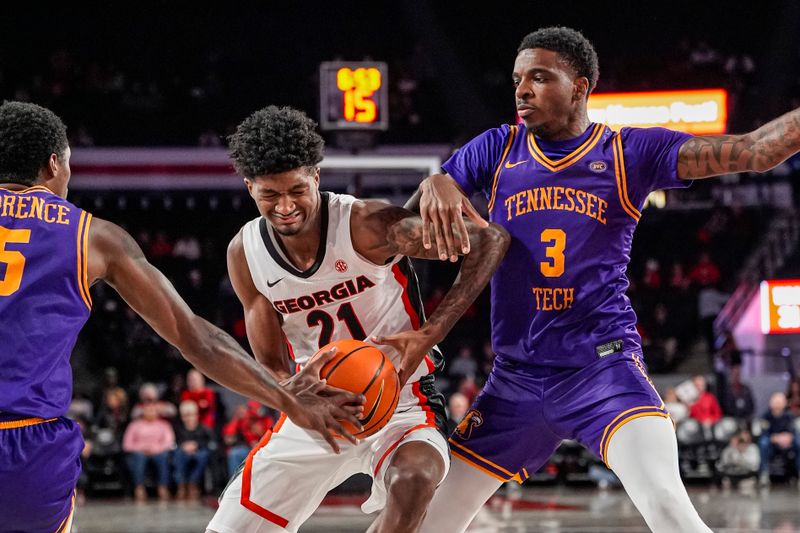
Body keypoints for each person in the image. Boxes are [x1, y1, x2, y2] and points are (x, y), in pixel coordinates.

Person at [410, 26, 800, 533]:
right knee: (422, 524)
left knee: (669, 510)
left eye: (540, 77)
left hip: (603, 372)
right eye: (516, 79)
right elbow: (424, 208)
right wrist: (436, 180)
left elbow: (754, 151)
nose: (522, 90)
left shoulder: (628, 153)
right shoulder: (497, 148)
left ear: (580, 86)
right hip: (514, 382)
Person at [0, 101, 363, 533]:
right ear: (53, 164)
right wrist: (287, 398)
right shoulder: (92, 237)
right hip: (25, 446)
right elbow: (195, 338)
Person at [206, 106, 509, 533]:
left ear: (315, 176)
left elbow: (489, 241)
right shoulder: (246, 254)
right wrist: (290, 393)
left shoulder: (366, 225)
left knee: (416, 476)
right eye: (270, 195)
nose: (286, 206)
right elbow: (272, 364)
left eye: (296, 189)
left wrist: (427, 335)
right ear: (249, 187)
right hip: (316, 405)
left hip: (402, 400)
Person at [122, 401, 176, 501]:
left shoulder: (164, 425)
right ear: (143, 411)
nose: (150, 412)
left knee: (164, 456)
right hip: (139, 452)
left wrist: (156, 449)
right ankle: (139, 487)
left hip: (158, 451)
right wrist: (141, 448)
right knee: (138, 458)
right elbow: (127, 444)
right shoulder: (134, 425)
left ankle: (163, 487)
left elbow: (169, 442)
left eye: (152, 410)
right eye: (147, 410)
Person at [173, 400, 214, 500]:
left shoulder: (204, 428)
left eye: (191, 414)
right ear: (182, 417)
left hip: (199, 451)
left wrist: (196, 445)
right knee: (177, 454)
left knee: (203, 455)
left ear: (196, 415)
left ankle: (193, 483)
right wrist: (183, 446)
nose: (189, 418)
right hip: (182, 452)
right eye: (185, 415)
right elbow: (173, 442)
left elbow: (210, 443)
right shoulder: (178, 429)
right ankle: (181, 485)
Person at [757, 392, 800, 486]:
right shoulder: (766, 416)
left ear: (784, 403)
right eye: (775, 402)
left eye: (780, 402)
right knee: (763, 442)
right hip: (772, 443)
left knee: (798, 442)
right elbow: (764, 432)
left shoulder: (789, 416)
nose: (777, 404)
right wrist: (777, 438)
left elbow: (792, 432)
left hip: (787, 442)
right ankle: (764, 473)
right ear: (771, 403)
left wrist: (787, 438)